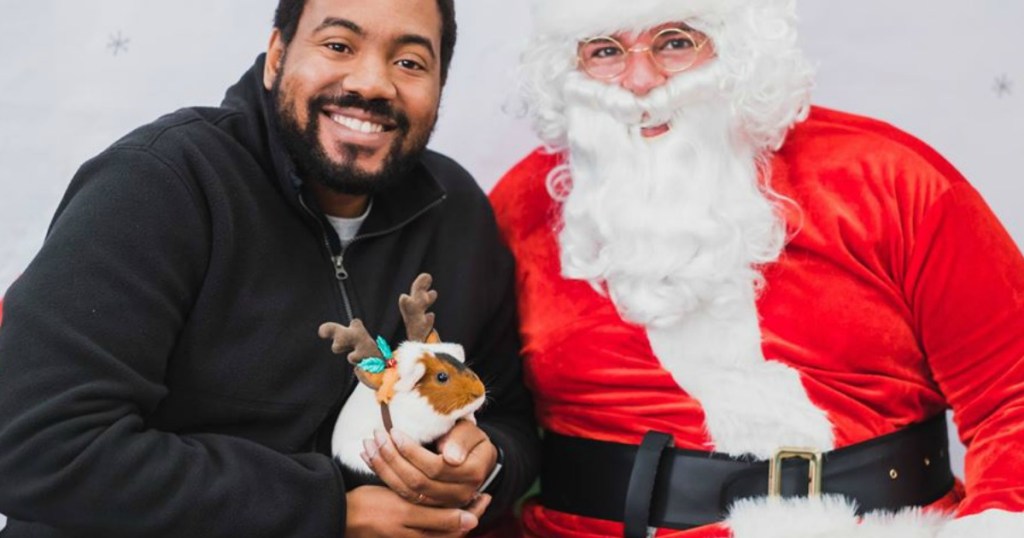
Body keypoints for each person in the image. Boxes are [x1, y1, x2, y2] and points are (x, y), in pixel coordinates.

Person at [0, 0, 539, 536]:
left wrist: (484, 462)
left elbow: (510, 419)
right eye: (338, 45)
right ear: (277, 54)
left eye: (411, 62)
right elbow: (35, 445)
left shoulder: (456, 209)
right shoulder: (160, 184)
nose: (374, 83)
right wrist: (329, 511)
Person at [490, 0, 1024, 537]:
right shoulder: (520, 209)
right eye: (605, 51)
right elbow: (483, 421)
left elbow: (1014, 395)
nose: (641, 80)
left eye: (675, 42)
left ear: (739, 46)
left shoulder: (889, 181)